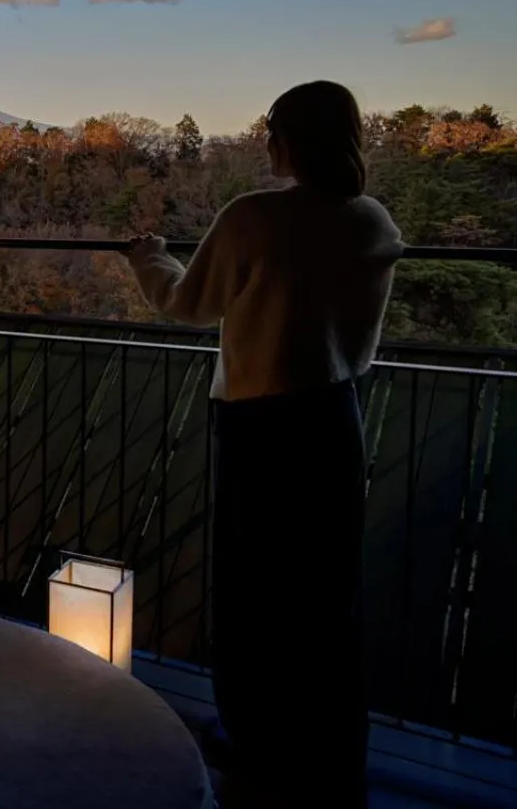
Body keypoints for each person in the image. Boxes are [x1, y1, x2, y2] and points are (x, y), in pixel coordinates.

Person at [125, 81, 402, 807]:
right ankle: (332, 753)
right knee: (325, 596)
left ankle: (256, 748)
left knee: (254, 593)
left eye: (271, 128)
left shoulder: (255, 218)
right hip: (336, 417)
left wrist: (150, 259)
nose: (264, 140)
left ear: (292, 139)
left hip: (262, 424)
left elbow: (188, 303)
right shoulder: (373, 223)